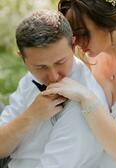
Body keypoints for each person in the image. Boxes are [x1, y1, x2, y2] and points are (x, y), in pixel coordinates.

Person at [43, 0, 116, 167]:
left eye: (82, 33)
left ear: (106, 21)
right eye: (73, 36)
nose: (76, 43)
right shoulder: (89, 57)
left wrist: (86, 98)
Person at [0, 10, 109, 168]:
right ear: (22, 59)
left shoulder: (82, 106)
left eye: (60, 62)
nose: (53, 76)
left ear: (73, 45)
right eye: (41, 67)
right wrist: (31, 115)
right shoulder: (30, 79)